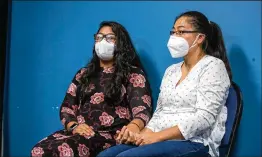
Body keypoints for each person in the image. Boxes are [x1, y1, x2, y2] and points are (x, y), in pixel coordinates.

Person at [97, 11, 232, 157]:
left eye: (181, 32)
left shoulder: (213, 66)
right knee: (105, 155)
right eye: (173, 32)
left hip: (195, 142)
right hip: (160, 139)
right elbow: (160, 112)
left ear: (200, 38)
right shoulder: (171, 71)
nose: (174, 37)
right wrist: (143, 135)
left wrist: (156, 137)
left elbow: (204, 118)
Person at [31, 21, 152, 157]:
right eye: (99, 37)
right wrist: (75, 126)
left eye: (110, 38)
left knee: (61, 152)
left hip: (109, 135)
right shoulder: (83, 74)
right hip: (79, 132)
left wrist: (133, 128)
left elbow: (142, 110)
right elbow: (66, 108)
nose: (102, 42)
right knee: (39, 150)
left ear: (120, 43)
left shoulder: (133, 74)